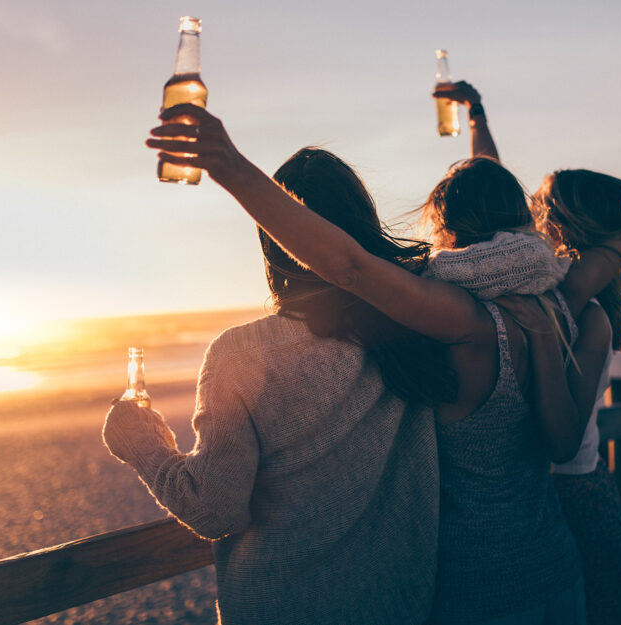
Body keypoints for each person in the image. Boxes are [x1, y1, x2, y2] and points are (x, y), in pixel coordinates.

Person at [142, 94, 621, 622]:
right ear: (520, 221)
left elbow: (350, 267)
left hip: (474, 592)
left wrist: (231, 167)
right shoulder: (555, 296)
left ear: (449, 229)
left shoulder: (456, 317)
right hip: (555, 569)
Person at [102, 148, 458, 625]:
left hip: (281, 605)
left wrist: (144, 446)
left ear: (274, 240)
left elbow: (215, 511)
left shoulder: (243, 357)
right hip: (397, 604)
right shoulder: (416, 324)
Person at [433, 82, 621, 624]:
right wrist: (476, 113)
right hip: (570, 496)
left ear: (559, 221)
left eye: (543, 208)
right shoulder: (561, 291)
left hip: (563, 496)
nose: (533, 216)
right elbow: (497, 196)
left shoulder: (562, 295)